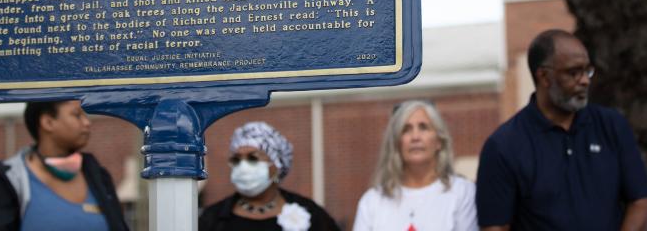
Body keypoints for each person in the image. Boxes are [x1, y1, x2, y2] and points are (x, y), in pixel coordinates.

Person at [475, 29, 647, 230]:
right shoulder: (503, 146)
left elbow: (640, 201)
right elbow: (494, 227)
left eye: (588, 71)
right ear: (544, 76)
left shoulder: (612, 125)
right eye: (574, 72)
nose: (585, 80)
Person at [0, 100, 128, 231]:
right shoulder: (10, 182)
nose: (87, 122)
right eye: (77, 115)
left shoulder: (99, 177)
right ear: (48, 122)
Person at [352, 100, 478, 231]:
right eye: (406, 130)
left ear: (439, 141)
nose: (415, 137)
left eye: (423, 127)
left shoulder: (462, 192)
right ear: (396, 143)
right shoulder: (372, 201)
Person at [199, 121, 340, 231]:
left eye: (253, 158)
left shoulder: (311, 214)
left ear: (277, 165)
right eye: (236, 159)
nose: (243, 166)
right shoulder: (212, 218)